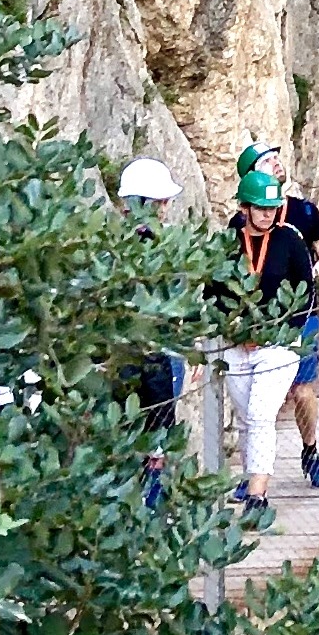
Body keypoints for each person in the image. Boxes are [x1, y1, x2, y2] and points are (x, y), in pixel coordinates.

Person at [222, 161, 318, 518]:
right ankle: (251, 479)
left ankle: (258, 496)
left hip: (278, 343)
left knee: (262, 414)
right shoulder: (228, 242)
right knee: (247, 417)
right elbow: (213, 290)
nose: (267, 214)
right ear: (244, 208)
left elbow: (306, 292)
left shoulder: (289, 240)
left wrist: (283, 330)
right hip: (236, 343)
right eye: (260, 208)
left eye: (272, 208)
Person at [116, 155, 185, 505]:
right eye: (161, 202)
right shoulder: (163, 253)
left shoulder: (109, 249)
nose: (166, 208)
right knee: (156, 448)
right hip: (156, 362)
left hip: (121, 362)